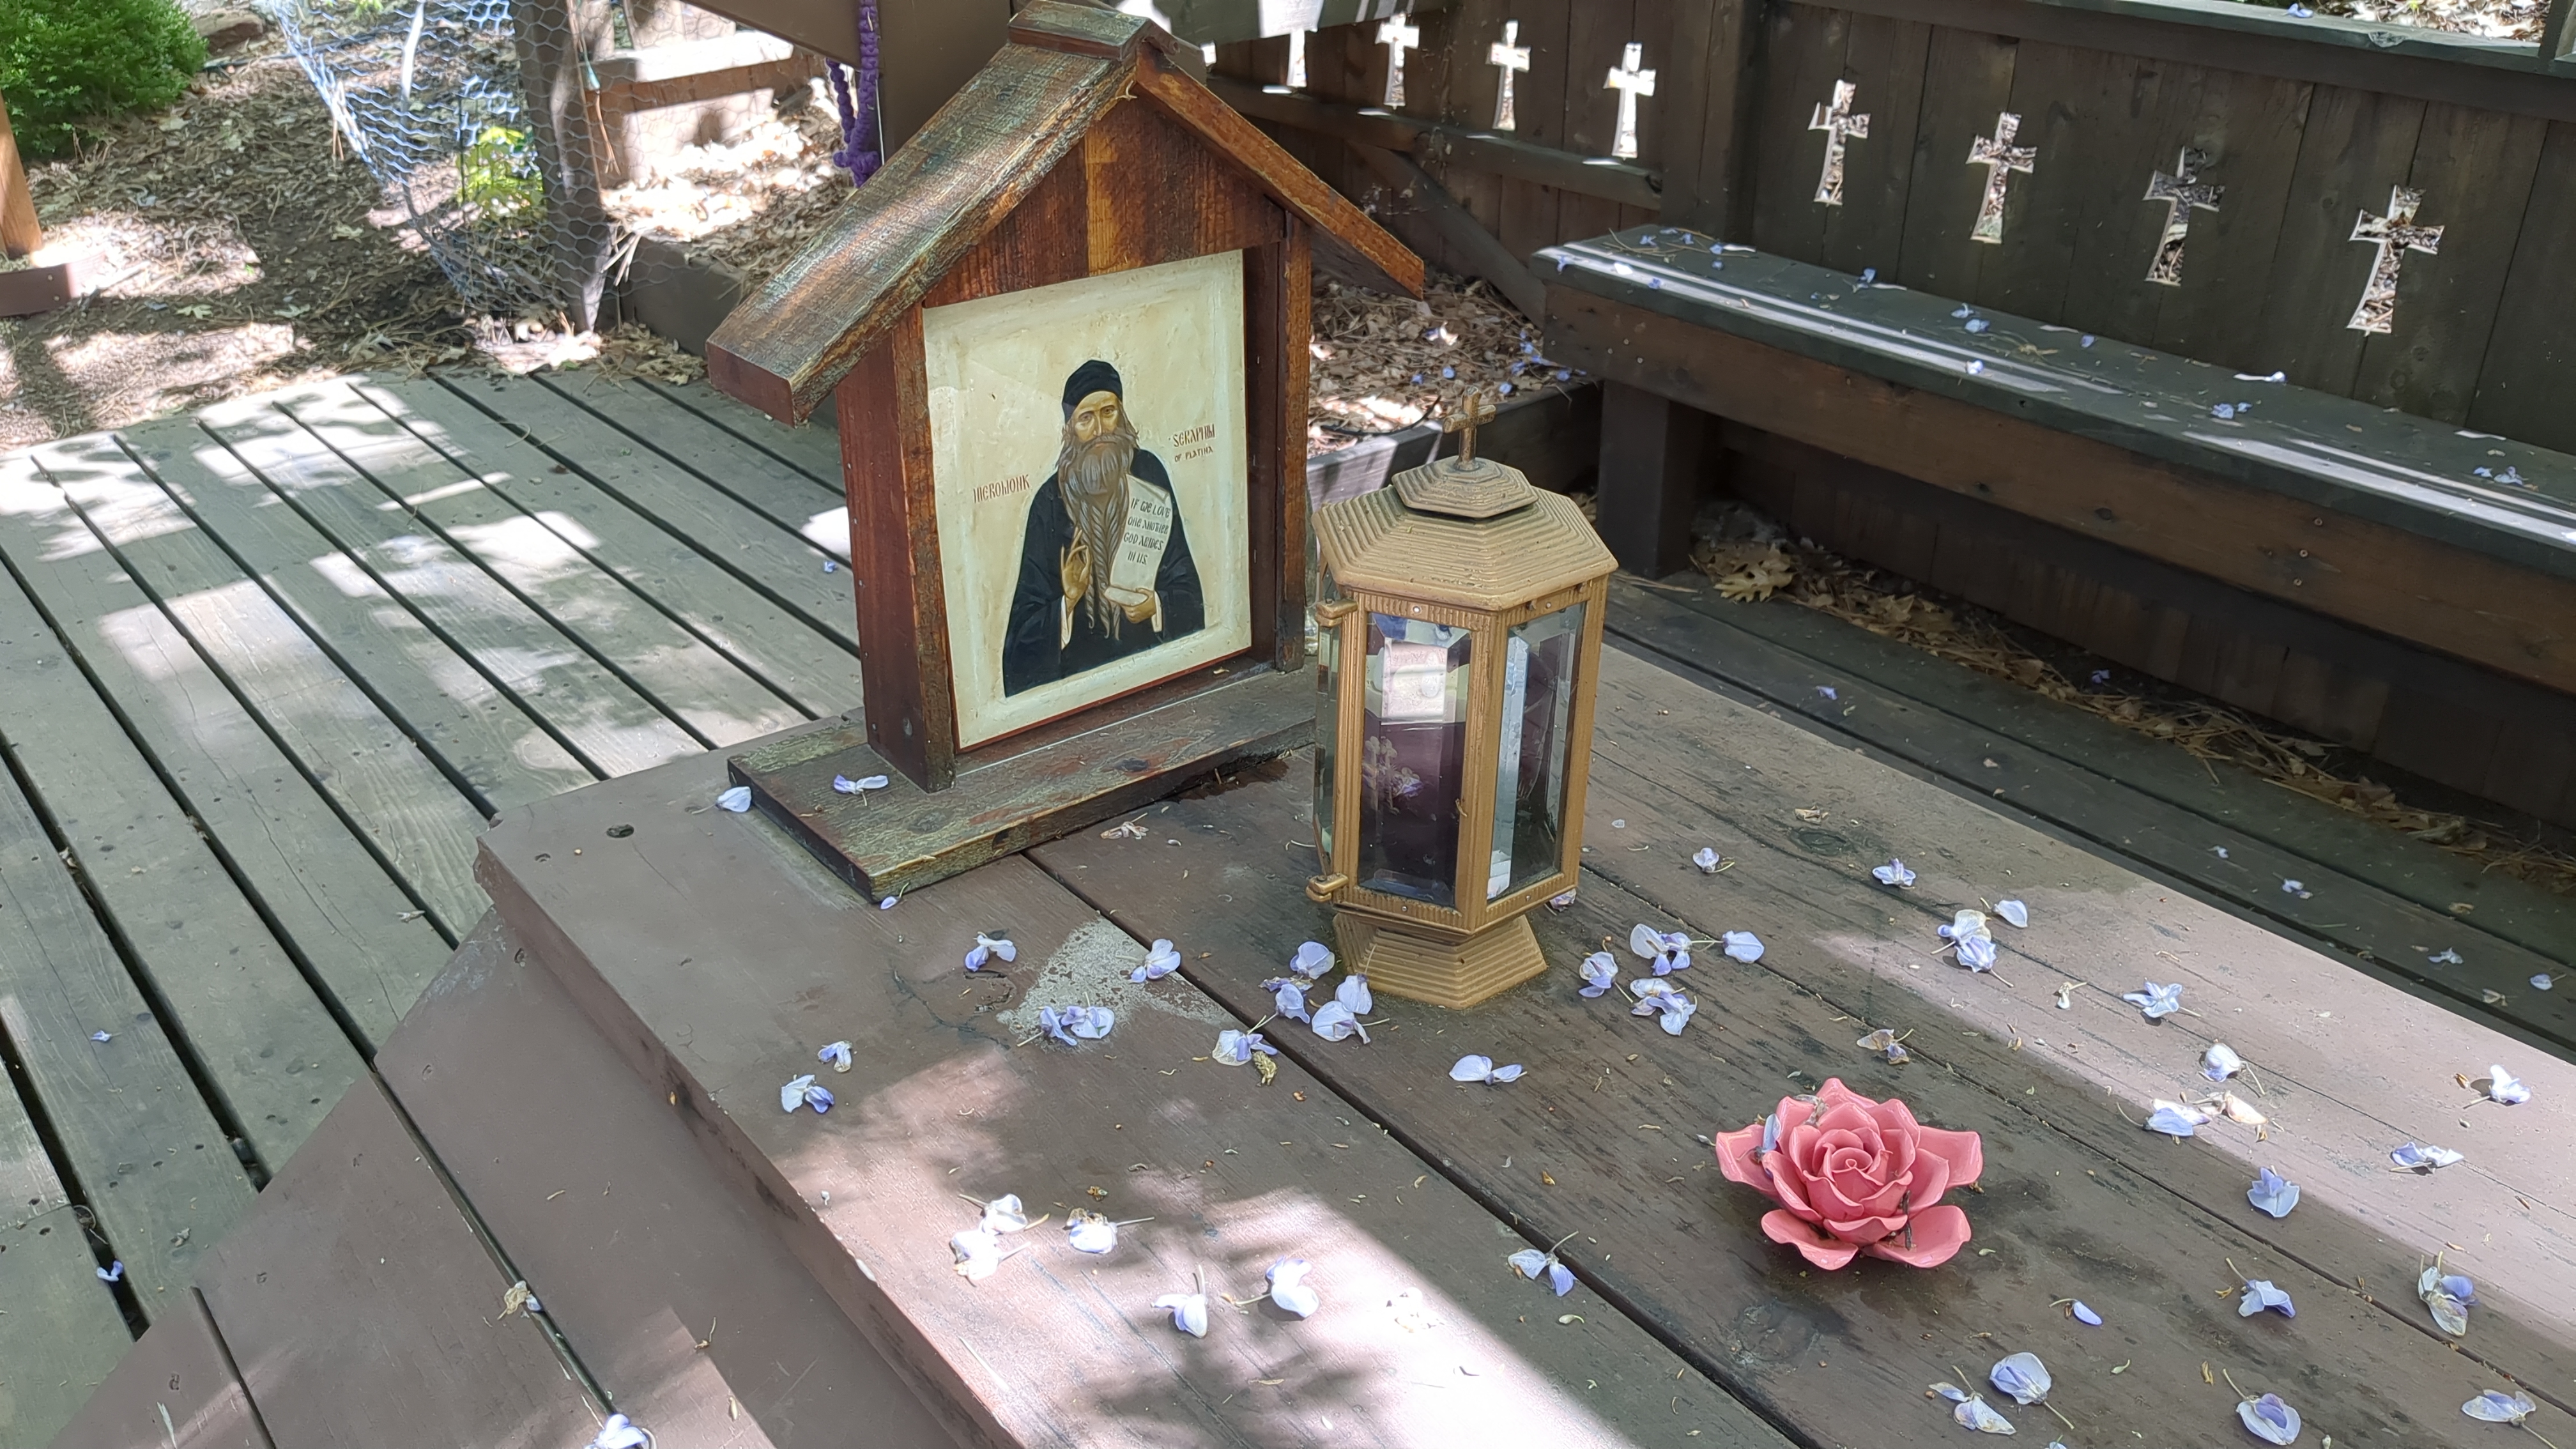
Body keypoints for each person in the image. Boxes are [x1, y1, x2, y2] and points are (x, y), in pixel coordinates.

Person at [1001, 359, 1205, 695]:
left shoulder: (1148, 474)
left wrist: (1156, 606)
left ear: (1121, 416)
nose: (1099, 430)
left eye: (1108, 412)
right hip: (1079, 686)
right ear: (1070, 429)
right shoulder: (1050, 502)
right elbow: (1020, 644)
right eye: (1086, 418)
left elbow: (1186, 588)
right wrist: (1068, 602)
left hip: (1153, 671)